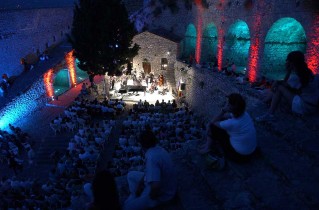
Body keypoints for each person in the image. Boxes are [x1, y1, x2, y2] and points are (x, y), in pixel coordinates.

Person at [256, 51, 319, 121]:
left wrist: (288, 72)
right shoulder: (307, 72)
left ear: (291, 63)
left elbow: (282, 84)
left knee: (279, 87)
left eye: (288, 61)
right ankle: (265, 101)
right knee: (280, 88)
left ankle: (270, 113)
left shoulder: (296, 77)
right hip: (312, 105)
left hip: (304, 107)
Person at [124, 127, 177, 210]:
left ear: (142, 144)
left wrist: (150, 198)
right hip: (159, 183)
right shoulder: (159, 149)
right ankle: (135, 196)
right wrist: (140, 184)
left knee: (127, 207)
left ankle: (137, 199)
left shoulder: (151, 156)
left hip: (162, 194)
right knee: (130, 175)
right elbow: (148, 172)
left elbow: (155, 186)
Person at [198, 93, 257, 163]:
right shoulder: (244, 114)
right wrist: (223, 115)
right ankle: (208, 143)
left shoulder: (232, 123)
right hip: (250, 150)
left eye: (228, 103)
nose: (226, 103)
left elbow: (212, 123)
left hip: (239, 156)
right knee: (220, 122)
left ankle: (208, 147)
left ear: (230, 107)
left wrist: (223, 111)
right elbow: (226, 116)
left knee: (213, 127)